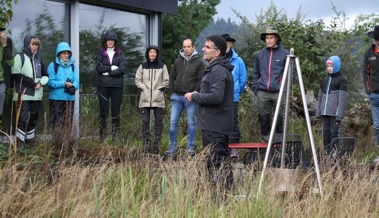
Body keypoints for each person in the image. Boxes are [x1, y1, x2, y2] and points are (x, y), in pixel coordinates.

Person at [184, 35, 234, 191]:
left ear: (217, 52)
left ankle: (222, 198)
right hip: (213, 124)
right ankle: (223, 196)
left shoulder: (219, 70)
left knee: (217, 163)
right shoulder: (215, 68)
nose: (203, 49)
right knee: (217, 163)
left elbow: (216, 97)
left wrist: (194, 96)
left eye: (207, 47)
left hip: (216, 126)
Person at [164, 38, 206, 156]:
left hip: (190, 98)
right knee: (173, 122)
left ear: (193, 47)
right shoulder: (178, 61)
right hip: (176, 97)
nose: (186, 49)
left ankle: (190, 148)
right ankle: (172, 147)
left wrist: (194, 93)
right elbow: (172, 77)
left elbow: (201, 79)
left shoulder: (199, 62)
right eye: (184, 47)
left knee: (191, 123)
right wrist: (172, 92)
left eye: (188, 47)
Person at [252, 26, 289, 142]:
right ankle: (265, 145)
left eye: (271, 38)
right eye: (267, 38)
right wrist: (256, 89)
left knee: (279, 119)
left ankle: (278, 144)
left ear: (276, 39)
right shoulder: (260, 54)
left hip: (278, 91)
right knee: (264, 119)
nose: (269, 40)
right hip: (263, 92)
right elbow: (255, 73)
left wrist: (285, 88)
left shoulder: (285, 54)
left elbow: (290, 74)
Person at [11, 34, 48, 148]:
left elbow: (46, 75)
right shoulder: (19, 57)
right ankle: (20, 145)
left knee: (33, 119)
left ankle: (30, 143)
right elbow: (15, 74)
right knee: (22, 119)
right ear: (27, 44)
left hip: (37, 96)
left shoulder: (38, 59)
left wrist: (41, 82)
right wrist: (32, 83)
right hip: (23, 95)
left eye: (37, 45)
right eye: (33, 44)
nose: (35, 47)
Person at [135, 45, 169, 154]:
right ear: (147, 54)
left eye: (154, 52)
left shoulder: (162, 66)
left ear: (157, 54)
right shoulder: (142, 66)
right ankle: (146, 143)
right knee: (145, 121)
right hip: (145, 98)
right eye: (150, 52)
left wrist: (160, 89)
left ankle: (157, 144)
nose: (152, 54)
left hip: (158, 99)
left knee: (158, 122)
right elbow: (137, 80)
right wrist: (144, 88)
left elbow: (166, 80)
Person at [95, 31, 127, 143]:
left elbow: (122, 70)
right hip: (103, 85)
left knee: (116, 112)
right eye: (108, 40)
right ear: (105, 41)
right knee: (103, 111)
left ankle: (116, 136)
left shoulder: (120, 54)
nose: (110, 42)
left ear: (115, 42)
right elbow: (99, 68)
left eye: (112, 40)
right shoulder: (100, 53)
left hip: (117, 86)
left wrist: (107, 72)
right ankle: (102, 136)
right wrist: (112, 68)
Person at [47, 42, 79, 147]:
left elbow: (76, 81)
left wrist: (73, 87)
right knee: (56, 123)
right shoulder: (53, 66)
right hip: (56, 99)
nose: (66, 55)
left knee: (67, 122)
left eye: (68, 53)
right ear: (59, 54)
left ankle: (66, 144)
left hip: (69, 98)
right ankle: (56, 144)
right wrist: (63, 84)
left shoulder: (73, 66)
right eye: (63, 53)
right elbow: (50, 83)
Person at [221, 33, 247, 158]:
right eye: (223, 42)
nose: (225, 44)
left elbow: (243, 80)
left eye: (227, 42)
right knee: (220, 122)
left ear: (231, 44)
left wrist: (235, 91)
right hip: (218, 97)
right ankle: (222, 146)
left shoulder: (239, 60)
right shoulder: (216, 58)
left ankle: (235, 147)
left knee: (233, 122)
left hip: (232, 97)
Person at [316, 56, 348, 155]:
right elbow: (320, 96)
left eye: (331, 66)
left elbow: (342, 99)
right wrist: (318, 112)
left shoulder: (341, 80)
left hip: (334, 114)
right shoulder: (325, 80)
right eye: (328, 66)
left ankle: (335, 153)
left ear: (337, 66)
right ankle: (327, 153)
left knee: (334, 133)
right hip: (324, 113)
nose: (329, 68)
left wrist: (339, 115)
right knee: (325, 134)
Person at [362, 25, 379, 163]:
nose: (377, 41)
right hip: (375, 95)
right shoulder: (369, 53)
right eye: (376, 39)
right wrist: (369, 91)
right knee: (378, 126)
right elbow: (365, 72)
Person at [0, 26, 14, 127]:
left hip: (0, 80)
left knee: (2, 92)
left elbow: (10, 62)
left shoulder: (3, 45)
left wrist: (5, 45)